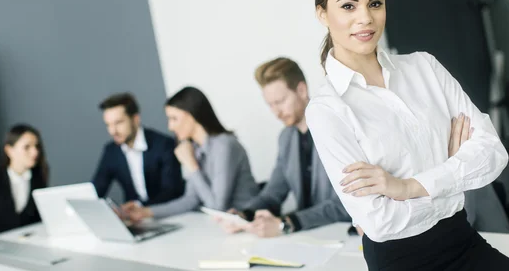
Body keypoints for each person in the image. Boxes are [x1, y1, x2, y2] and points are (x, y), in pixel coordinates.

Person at [305, 0, 509, 271]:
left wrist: (407, 187)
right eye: (348, 6)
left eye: (375, 3)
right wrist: (453, 171)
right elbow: (379, 222)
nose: (365, 18)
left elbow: (493, 153)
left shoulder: (425, 68)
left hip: (464, 245)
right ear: (322, 13)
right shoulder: (326, 109)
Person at [218, 57, 350, 238]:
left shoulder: (335, 127)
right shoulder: (286, 138)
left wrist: (287, 224)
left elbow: (345, 203)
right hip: (309, 236)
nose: (276, 112)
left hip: (342, 234)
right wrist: (244, 215)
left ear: (301, 90)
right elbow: (273, 194)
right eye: (270, 105)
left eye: (280, 102)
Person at [123, 86, 259, 221]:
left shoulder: (224, 145)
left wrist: (192, 166)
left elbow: (218, 208)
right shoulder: (195, 148)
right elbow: (190, 200)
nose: (170, 127)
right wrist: (146, 212)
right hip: (224, 226)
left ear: (192, 115)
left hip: (248, 222)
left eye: (174, 119)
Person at [92, 93, 184, 209]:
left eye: (118, 123)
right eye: (108, 125)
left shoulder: (164, 145)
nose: (112, 131)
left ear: (135, 119)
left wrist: (139, 206)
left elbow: (172, 191)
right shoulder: (111, 151)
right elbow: (96, 190)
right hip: (134, 220)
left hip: (167, 212)